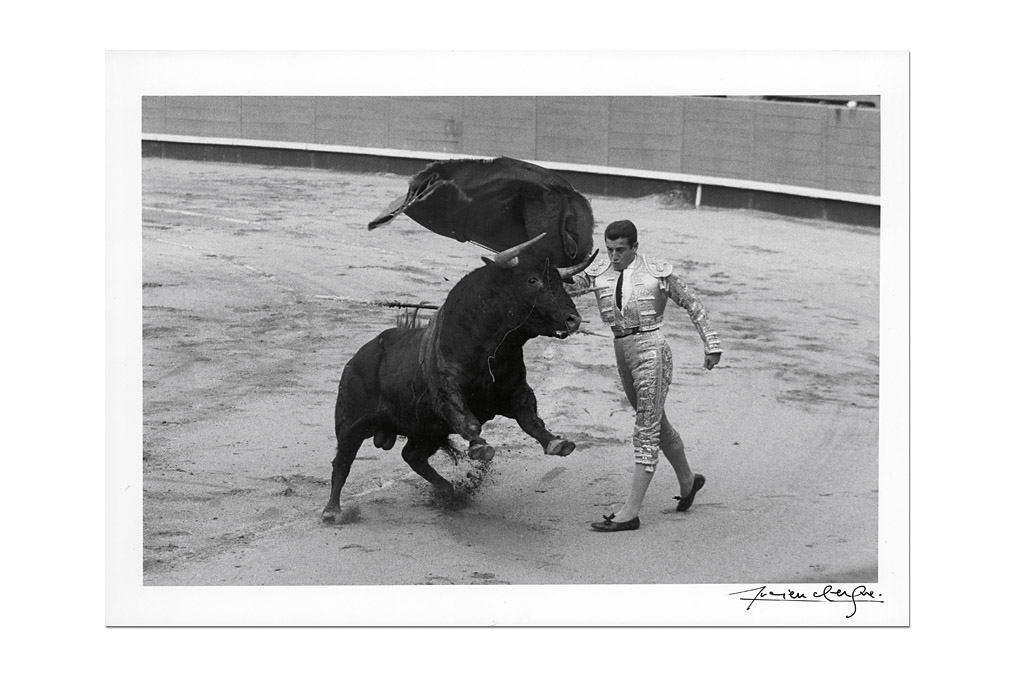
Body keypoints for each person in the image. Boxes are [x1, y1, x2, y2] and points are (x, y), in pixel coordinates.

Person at [566, 219, 722, 532]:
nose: (614, 257)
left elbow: (692, 303)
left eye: (620, 250)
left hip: (652, 348)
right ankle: (688, 481)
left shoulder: (656, 271)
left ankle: (631, 511)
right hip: (621, 349)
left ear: (635, 247)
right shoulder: (599, 272)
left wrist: (712, 342)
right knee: (654, 421)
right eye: (610, 250)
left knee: (645, 428)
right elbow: (565, 286)